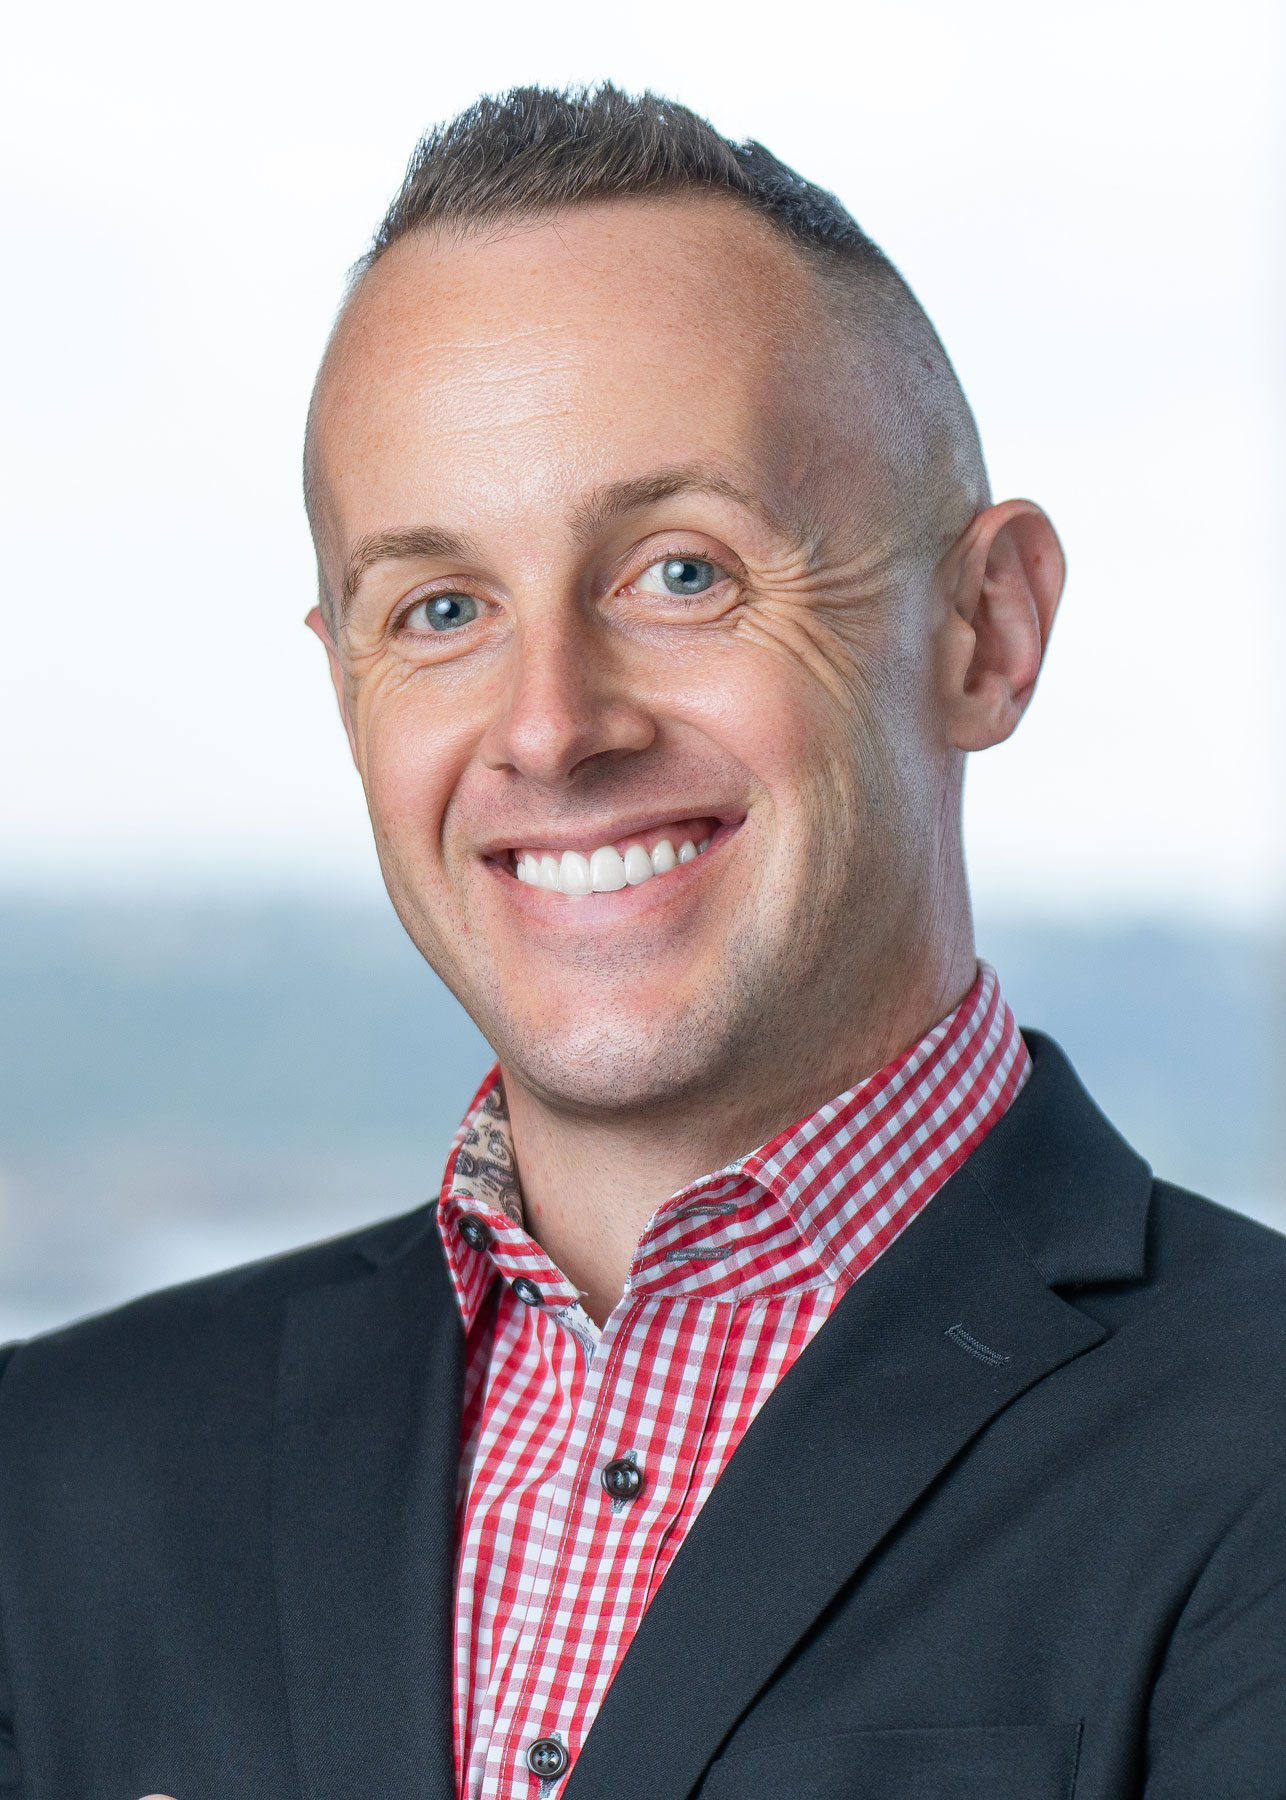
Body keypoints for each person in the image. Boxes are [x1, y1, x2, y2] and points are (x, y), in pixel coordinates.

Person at [1, 84, 1283, 1800]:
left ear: (984, 630)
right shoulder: (53, 1475)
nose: (548, 727)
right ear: (344, 684)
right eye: (440, 609)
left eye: (680, 573)